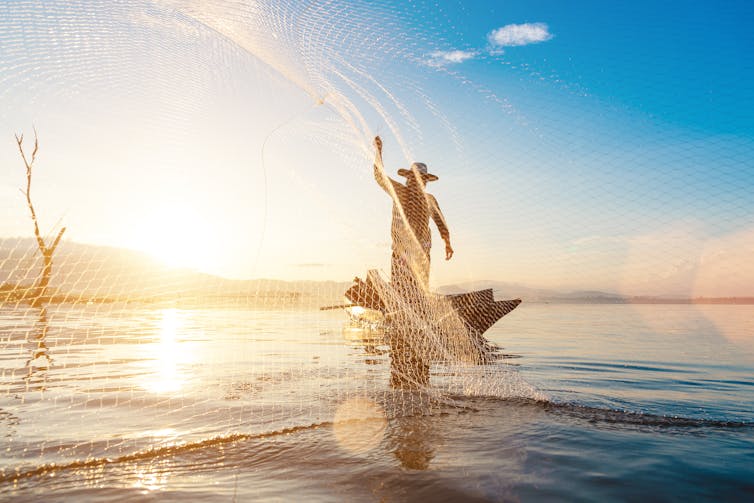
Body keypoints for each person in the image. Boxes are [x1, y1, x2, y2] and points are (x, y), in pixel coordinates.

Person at [372, 136, 453, 296]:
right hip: (401, 253)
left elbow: (441, 224)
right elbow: (380, 177)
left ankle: (420, 308)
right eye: (415, 179)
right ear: (409, 179)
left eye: (422, 180)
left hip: (422, 254)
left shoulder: (429, 200)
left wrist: (447, 243)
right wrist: (378, 152)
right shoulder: (401, 192)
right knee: (401, 292)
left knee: (420, 292)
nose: (419, 182)